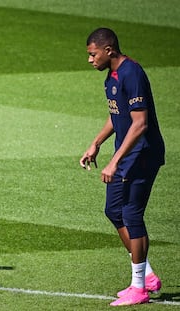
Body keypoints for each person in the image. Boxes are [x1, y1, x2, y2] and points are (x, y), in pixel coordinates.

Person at [79, 28, 165, 306]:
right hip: (125, 155)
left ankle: (138, 288)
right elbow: (117, 113)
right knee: (113, 210)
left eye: (93, 54)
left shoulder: (132, 73)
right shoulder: (112, 77)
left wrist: (114, 162)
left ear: (108, 50)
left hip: (142, 155)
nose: (90, 60)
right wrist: (96, 143)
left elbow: (140, 123)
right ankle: (148, 275)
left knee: (131, 214)